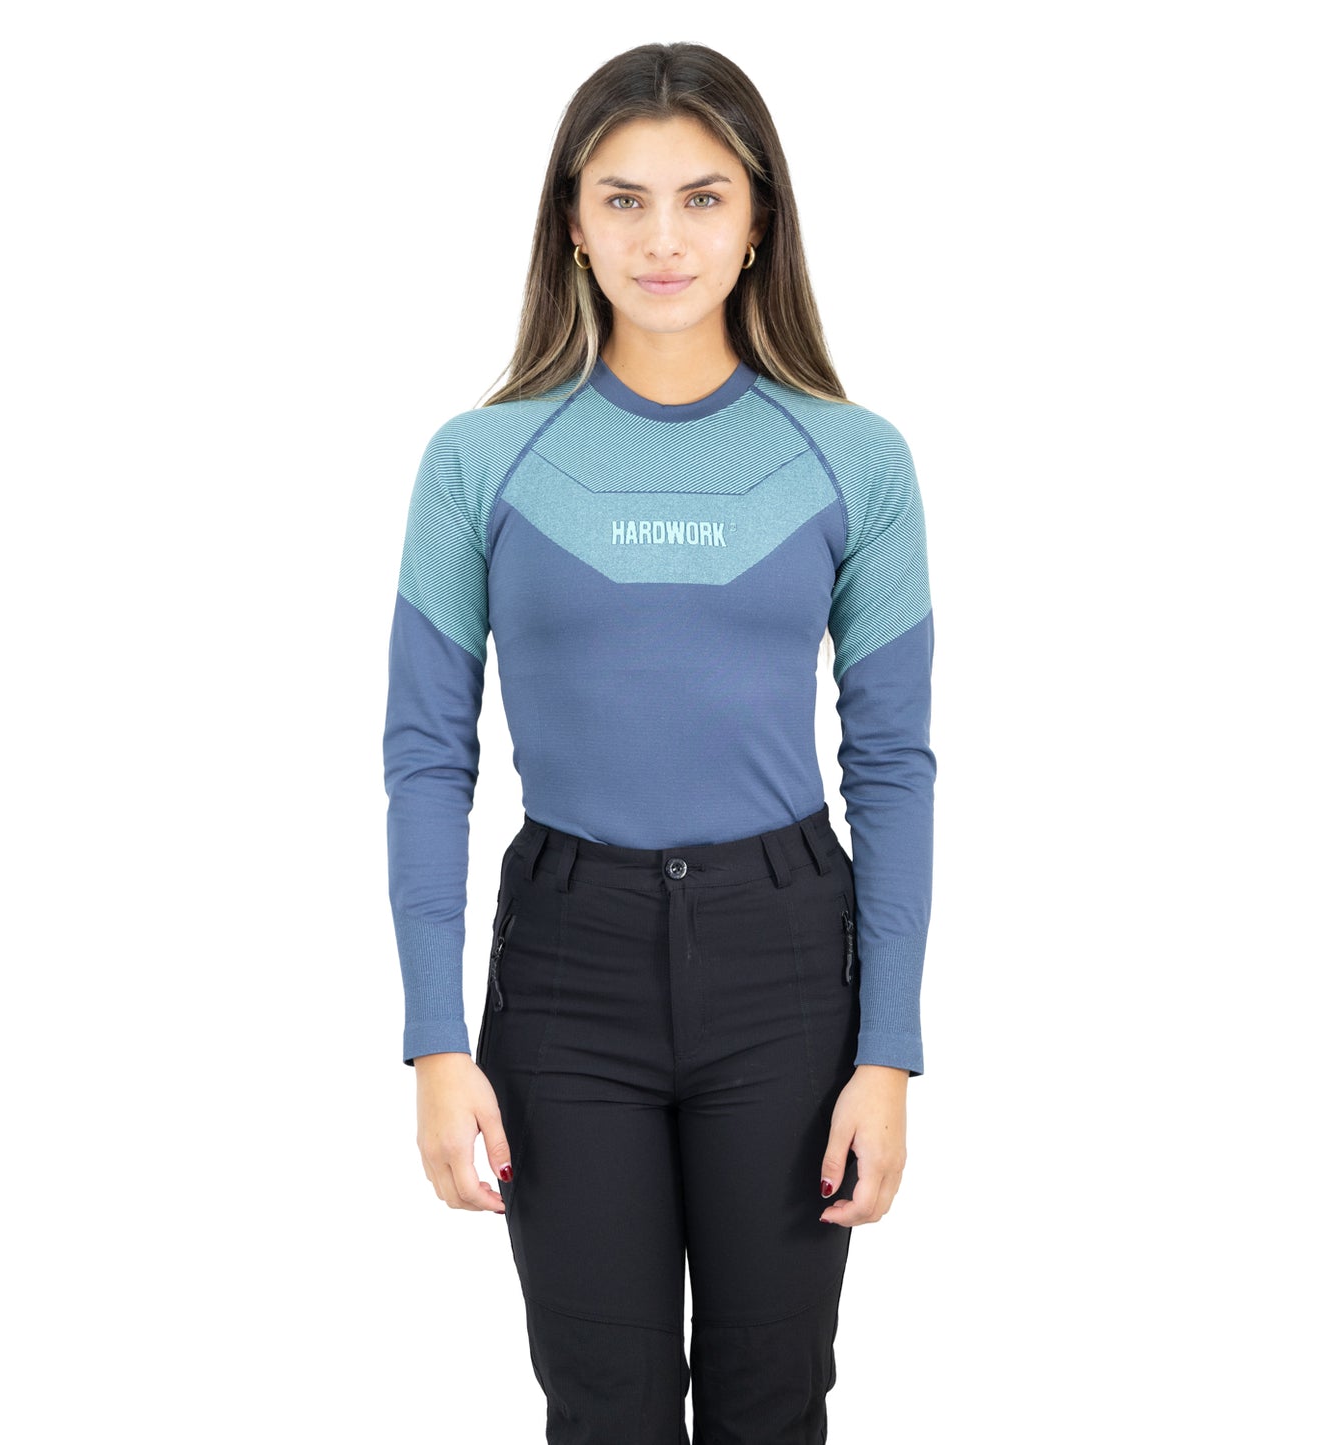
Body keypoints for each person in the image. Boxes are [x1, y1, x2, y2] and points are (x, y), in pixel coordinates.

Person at [382, 40, 936, 1444]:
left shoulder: (855, 458)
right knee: (604, 1409)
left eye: (701, 198)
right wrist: (434, 1041)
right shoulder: (479, 459)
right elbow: (427, 755)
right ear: (572, 222)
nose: (663, 239)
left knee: (773, 1405)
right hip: (566, 972)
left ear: (757, 222)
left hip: (784, 965)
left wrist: (888, 1052)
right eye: (622, 199)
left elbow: (891, 766)